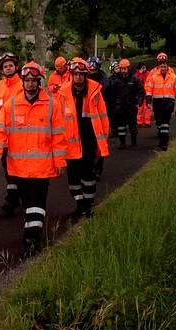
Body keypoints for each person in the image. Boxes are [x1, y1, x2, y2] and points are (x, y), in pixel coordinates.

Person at [0, 61, 67, 256]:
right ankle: (31, 232)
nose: (30, 84)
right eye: (27, 80)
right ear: (23, 81)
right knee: (27, 204)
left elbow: (58, 136)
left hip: (42, 168)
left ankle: (32, 240)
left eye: (34, 80)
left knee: (37, 204)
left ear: (39, 82)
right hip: (19, 168)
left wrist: (60, 162)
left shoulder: (51, 105)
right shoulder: (11, 105)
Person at [59, 57, 110, 218]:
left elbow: (103, 117)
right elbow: (58, 118)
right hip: (70, 143)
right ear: (71, 75)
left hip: (89, 140)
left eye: (81, 74)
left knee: (88, 176)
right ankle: (79, 203)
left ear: (86, 75)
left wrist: (103, 139)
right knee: (73, 180)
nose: (78, 77)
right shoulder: (63, 93)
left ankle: (88, 206)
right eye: (75, 74)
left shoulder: (95, 93)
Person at [0, 52, 24, 216]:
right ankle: (13, 198)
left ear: (16, 67)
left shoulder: (24, 85)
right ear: (1, 69)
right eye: (5, 66)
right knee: (7, 168)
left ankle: (15, 198)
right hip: (3, 136)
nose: (8, 68)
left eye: (11, 65)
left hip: (21, 135)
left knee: (20, 168)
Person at [145, 52, 176, 151]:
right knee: (159, 123)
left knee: (165, 123)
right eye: (160, 63)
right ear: (158, 64)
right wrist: (148, 102)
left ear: (167, 64)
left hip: (168, 103)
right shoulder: (153, 75)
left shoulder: (173, 76)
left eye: (164, 64)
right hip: (158, 103)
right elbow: (148, 88)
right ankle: (162, 138)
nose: (162, 66)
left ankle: (164, 143)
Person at [105, 58, 144, 149]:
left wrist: (139, 102)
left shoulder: (134, 79)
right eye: (122, 69)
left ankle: (134, 143)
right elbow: (109, 92)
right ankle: (122, 143)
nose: (123, 71)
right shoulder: (115, 80)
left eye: (125, 68)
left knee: (132, 126)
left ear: (128, 68)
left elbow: (141, 91)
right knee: (121, 127)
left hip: (131, 106)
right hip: (119, 107)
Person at [86, 56, 110, 179]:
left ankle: (98, 169)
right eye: (90, 70)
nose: (91, 72)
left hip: (101, 116)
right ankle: (88, 168)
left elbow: (108, 99)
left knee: (100, 144)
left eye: (94, 70)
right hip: (86, 117)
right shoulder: (83, 80)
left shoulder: (105, 82)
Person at [135, 62, 152, 127]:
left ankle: (147, 122)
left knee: (147, 108)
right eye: (143, 67)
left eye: (145, 67)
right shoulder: (137, 75)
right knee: (139, 108)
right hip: (139, 95)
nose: (144, 69)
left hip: (147, 93)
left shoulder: (148, 73)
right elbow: (137, 82)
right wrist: (141, 73)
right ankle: (139, 122)